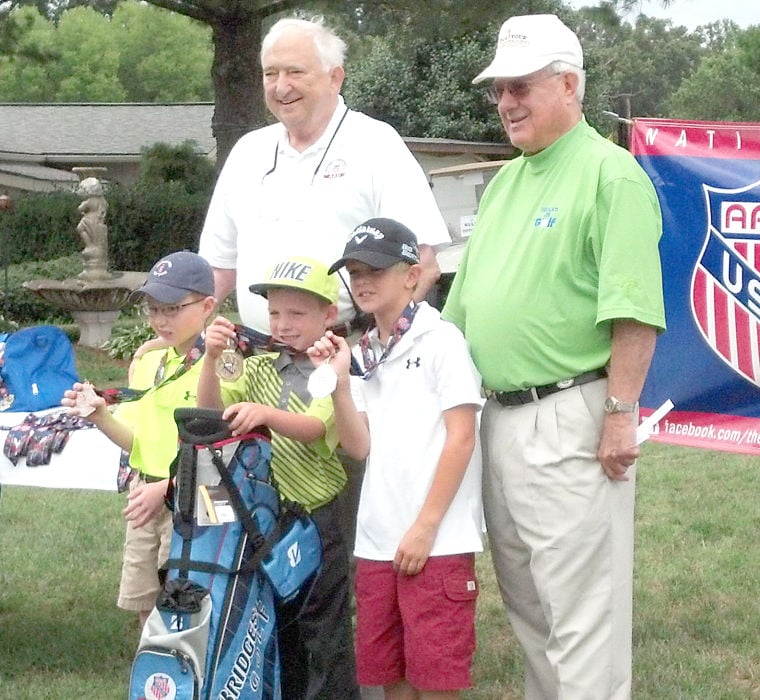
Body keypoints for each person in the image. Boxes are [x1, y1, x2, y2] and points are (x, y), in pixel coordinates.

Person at [441, 14, 666, 700]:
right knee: (531, 607)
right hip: (498, 420)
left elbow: (632, 310)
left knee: (583, 615)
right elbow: (461, 312)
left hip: (572, 414)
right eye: (498, 89)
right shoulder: (508, 182)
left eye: (521, 86)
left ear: (568, 85)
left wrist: (621, 414)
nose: (506, 101)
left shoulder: (611, 173)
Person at [307, 218, 483, 700]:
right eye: (355, 272)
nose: (362, 282)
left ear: (411, 276)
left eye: (376, 270)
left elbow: (462, 438)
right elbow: (358, 445)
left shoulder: (441, 339)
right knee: (390, 679)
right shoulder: (365, 351)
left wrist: (426, 526)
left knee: (436, 680)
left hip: (437, 539)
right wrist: (341, 383)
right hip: (378, 538)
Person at [197, 15, 450, 334]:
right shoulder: (248, 152)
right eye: (270, 73)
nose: (281, 86)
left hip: (350, 355)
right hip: (259, 363)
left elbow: (423, 264)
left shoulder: (376, 144)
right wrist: (180, 344)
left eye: (295, 72)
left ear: (335, 78)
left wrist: (381, 351)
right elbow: (216, 271)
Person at [196, 256, 359, 700]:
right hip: (265, 522)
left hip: (318, 520)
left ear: (329, 315)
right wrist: (211, 359)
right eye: (274, 313)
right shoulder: (257, 368)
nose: (283, 325)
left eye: (296, 313)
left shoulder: (335, 373)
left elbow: (314, 429)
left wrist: (266, 415)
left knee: (323, 629)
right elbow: (211, 413)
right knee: (275, 624)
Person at [62, 251, 229, 631]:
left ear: (207, 306)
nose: (160, 320)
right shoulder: (149, 362)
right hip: (146, 493)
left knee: (192, 603)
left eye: (172, 308)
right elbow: (136, 442)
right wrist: (100, 415)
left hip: (196, 496)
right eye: (153, 309)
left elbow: (219, 443)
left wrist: (168, 489)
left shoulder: (223, 360)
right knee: (145, 606)